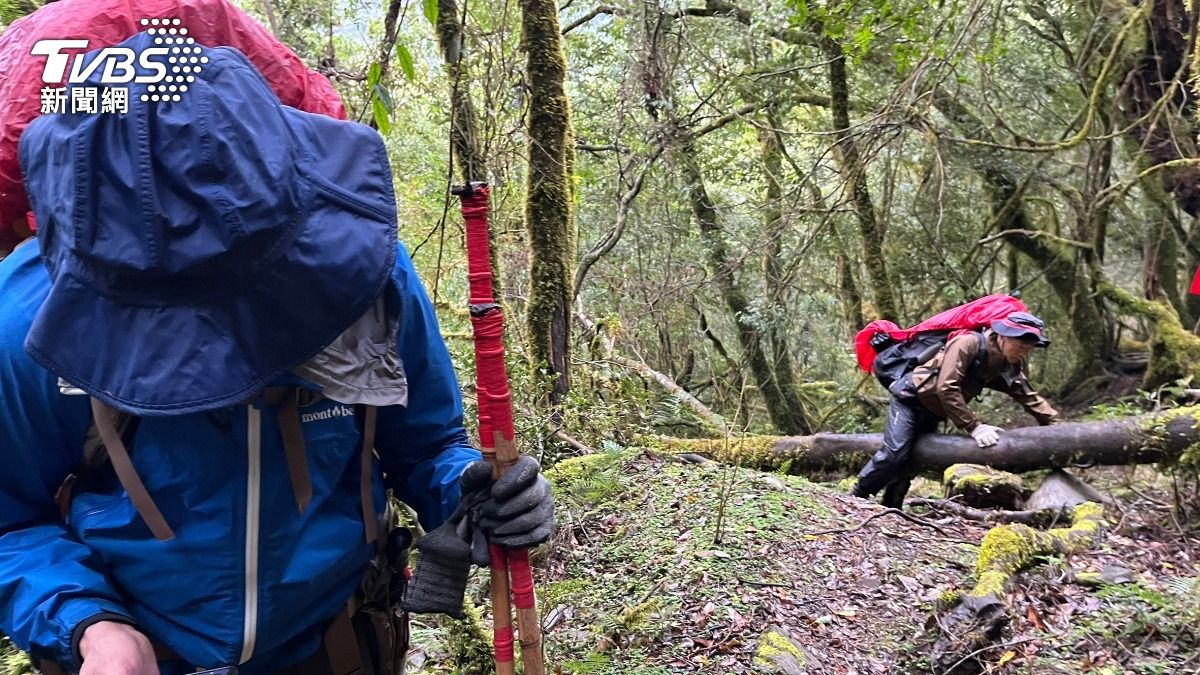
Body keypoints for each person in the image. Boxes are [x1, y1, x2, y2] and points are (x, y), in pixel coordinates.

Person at [0, 35, 553, 675]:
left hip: (343, 645)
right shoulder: (33, 323)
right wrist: (90, 626)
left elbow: (426, 444)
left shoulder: (365, 279)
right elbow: (9, 521)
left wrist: (466, 495)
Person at [851, 311, 1061, 508]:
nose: (1023, 353)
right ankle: (857, 497)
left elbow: (1028, 396)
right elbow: (946, 386)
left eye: (1028, 349)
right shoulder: (967, 343)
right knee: (895, 452)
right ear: (1003, 336)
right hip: (909, 399)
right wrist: (974, 427)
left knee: (912, 459)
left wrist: (1057, 426)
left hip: (934, 411)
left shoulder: (1006, 364)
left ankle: (891, 507)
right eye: (1020, 346)